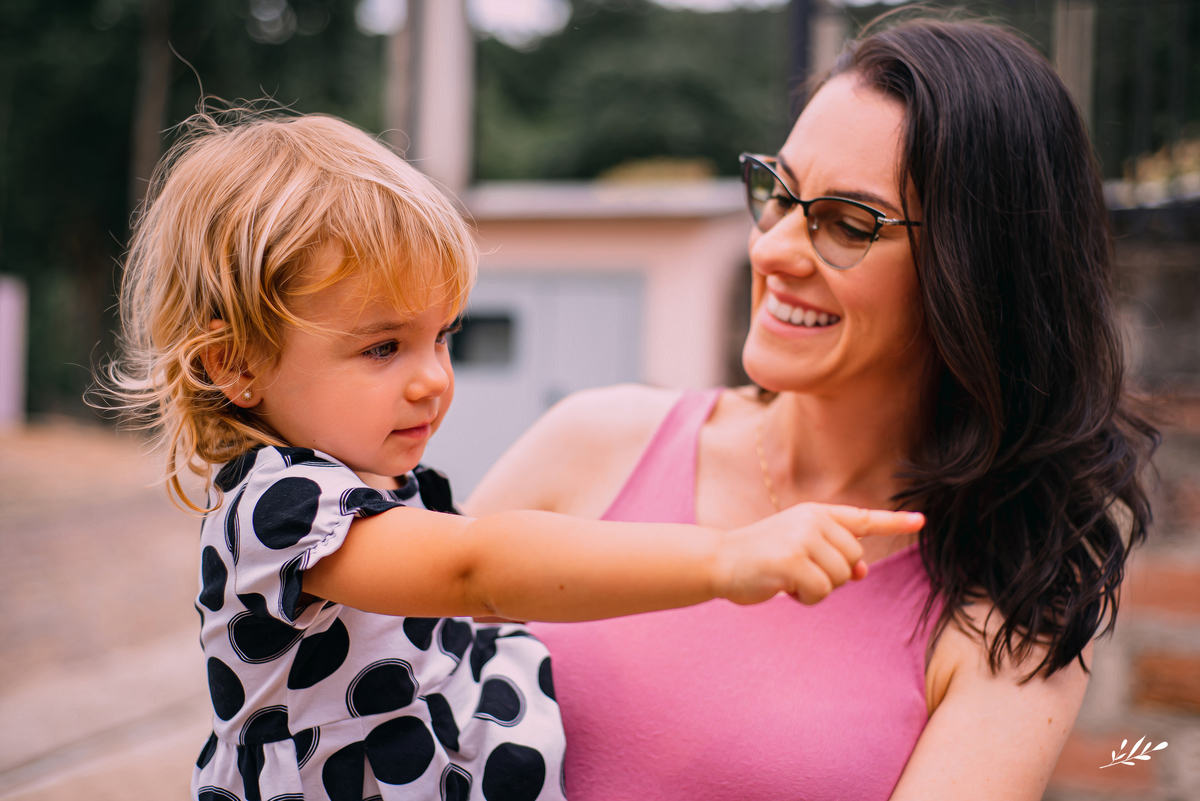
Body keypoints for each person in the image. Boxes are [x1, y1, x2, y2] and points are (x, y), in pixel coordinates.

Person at [103, 110, 923, 801]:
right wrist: (722, 558)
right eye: (383, 347)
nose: (433, 379)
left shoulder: (375, 485)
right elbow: (479, 569)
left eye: (442, 336)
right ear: (234, 364)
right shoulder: (277, 509)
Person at [467, 17, 1159, 801]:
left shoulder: (1009, 614)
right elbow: (386, 661)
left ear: (978, 274)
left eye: (848, 224)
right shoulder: (594, 442)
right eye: (780, 193)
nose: (771, 250)